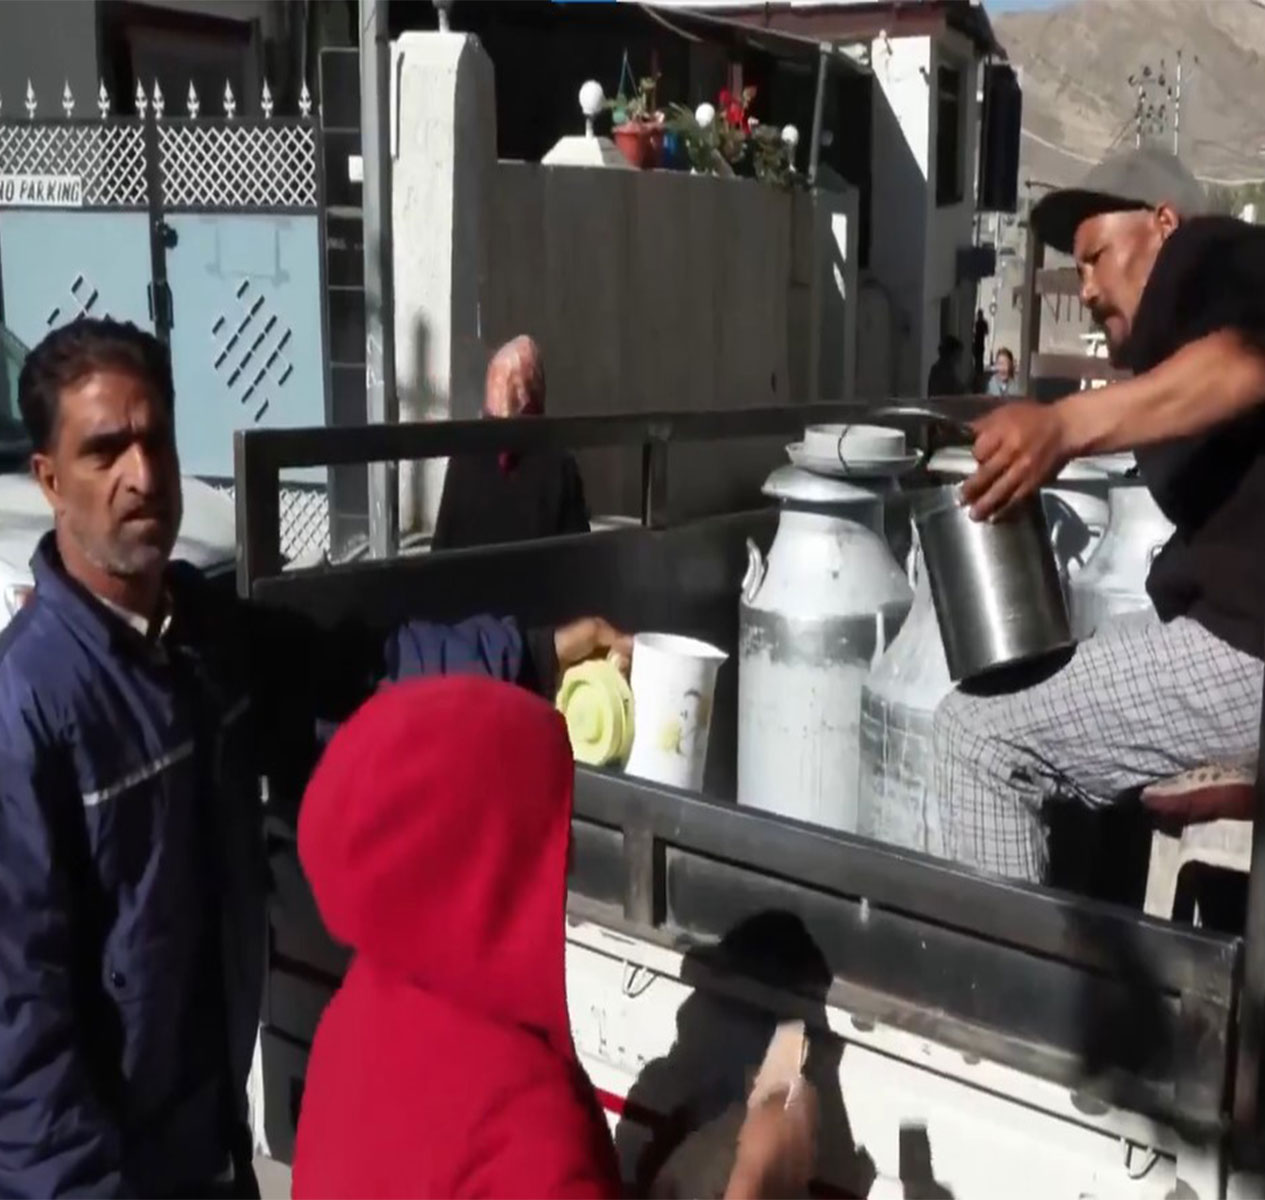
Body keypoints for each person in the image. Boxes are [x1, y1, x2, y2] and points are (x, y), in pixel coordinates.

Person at [0, 318, 630, 1196]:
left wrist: (537, 651)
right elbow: (21, 1037)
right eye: (106, 451)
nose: (142, 476)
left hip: (210, 1144)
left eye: (155, 441)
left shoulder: (202, 638)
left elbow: (361, 670)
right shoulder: (28, 707)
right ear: (51, 479)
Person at [931, 148, 1265, 882]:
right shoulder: (1207, 326)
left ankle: (1005, 995)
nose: (1090, 287)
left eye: (1099, 256)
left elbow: (1246, 364)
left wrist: (1064, 426)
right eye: (1078, 269)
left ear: (1164, 224)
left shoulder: (1218, 251)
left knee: (977, 734)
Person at [292, 675, 817, 1200]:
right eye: (545, 826)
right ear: (486, 863)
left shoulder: (353, 1019)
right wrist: (760, 1173)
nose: (566, 855)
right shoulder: (521, 1123)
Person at [433, 334, 591, 552]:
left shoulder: (464, 456)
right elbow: (580, 560)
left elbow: (440, 548)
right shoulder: (558, 463)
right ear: (535, 392)